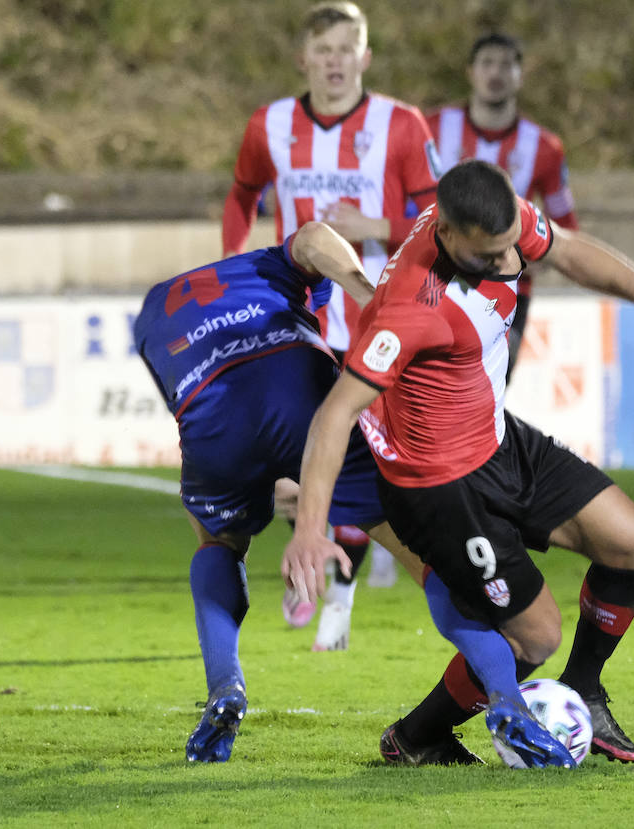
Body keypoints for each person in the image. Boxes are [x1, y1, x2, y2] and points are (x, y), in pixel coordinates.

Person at [281, 159, 634, 767]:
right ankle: (416, 737)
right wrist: (309, 530)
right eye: (490, 257)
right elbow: (334, 416)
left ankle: (585, 692)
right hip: (438, 487)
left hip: (497, 442)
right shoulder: (408, 310)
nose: (509, 264)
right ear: (448, 235)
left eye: (511, 247)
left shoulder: (492, 218)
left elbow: (564, 251)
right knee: (534, 636)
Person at [133, 221, 421, 762]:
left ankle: (225, 686)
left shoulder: (152, 309)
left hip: (213, 426)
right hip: (296, 392)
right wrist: (370, 295)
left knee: (216, 542)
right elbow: (314, 236)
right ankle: (498, 681)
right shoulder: (280, 266)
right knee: (407, 532)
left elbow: (181, 396)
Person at [222, 1, 443, 646]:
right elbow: (242, 193)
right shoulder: (270, 124)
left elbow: (439, 218)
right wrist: (235, 260)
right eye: (324, 51)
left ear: (365, 58)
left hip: (381, 318)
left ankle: (347, 584)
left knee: (380, 471)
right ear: (304, 59)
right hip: (301, 323)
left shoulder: (399, 125)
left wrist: (374, 228)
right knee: (296, 472)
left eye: (347, 51)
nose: (335, 63)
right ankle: (317, 574)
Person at [427, 33, 579, 373]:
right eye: (487, 63)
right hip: (435, 283)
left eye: (506, 65)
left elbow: (566, 226)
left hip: (506, 294)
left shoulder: (545, 147)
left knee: (487, 394)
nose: (496, 73)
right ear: (470, 72)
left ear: (520, 76)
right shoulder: (432, 128)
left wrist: (527, 261)